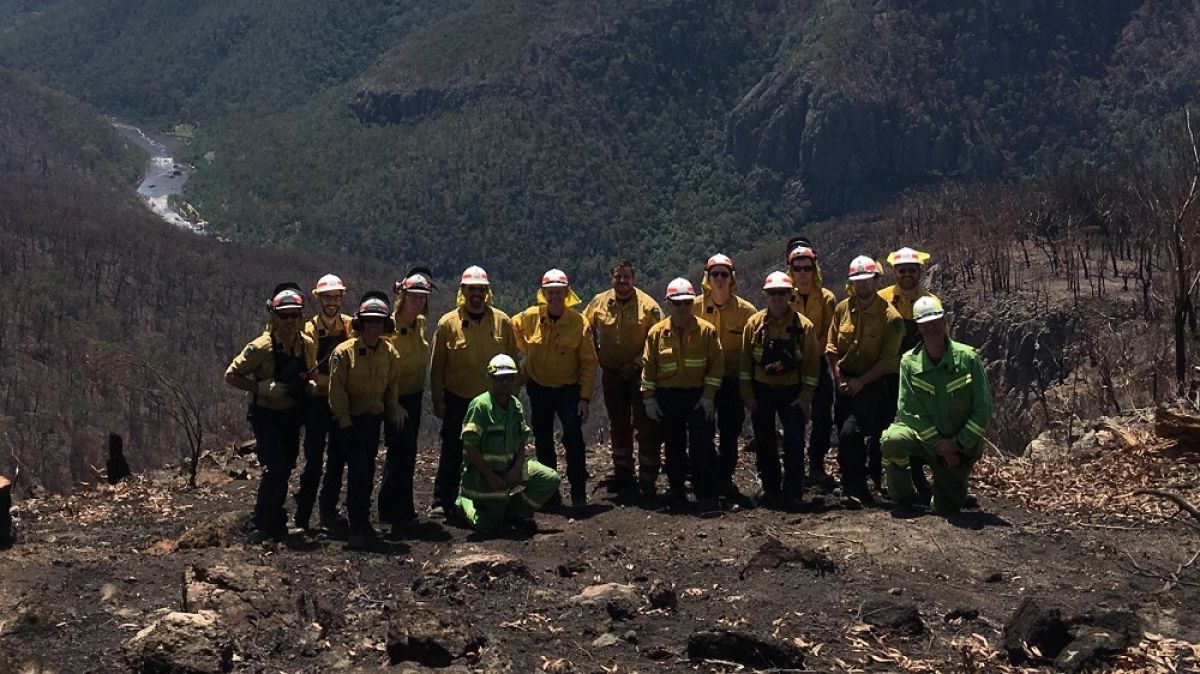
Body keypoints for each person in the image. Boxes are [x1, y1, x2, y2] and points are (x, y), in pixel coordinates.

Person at [881, 296, 993, 513]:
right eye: (925, 323)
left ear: (945, 322)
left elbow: (983, 408)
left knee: (947, 508)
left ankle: (946, 491)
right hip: (926, 439)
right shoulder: (909, 362)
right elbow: (908, 410)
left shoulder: (968, 359)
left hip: (959, 444)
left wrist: (956, 445)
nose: (931, 327)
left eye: (936, 321)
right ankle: (903, 495)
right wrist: (939, 444)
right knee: (891, 439)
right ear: (918, 328)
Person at [224, 283, 316, 543]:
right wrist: (260, 387)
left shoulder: (306, 344)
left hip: (291, 415)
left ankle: (276, 521)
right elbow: (231, 375)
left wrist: (307, 385)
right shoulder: (261, 346)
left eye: (294, 315)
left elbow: (311, 374)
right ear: (273, 316)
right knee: (274, 466)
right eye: (283, 315)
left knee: (286, 467)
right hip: (265, 415)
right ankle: (260, 523)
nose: (289, 321)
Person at [429, 266, 519, 517]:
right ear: (463, 291)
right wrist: (438, 398)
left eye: (481, 289)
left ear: (487, 292)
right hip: (458, 398)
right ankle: (442, 499)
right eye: (472, 289)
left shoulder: (502, 321)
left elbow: (513, 358)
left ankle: (488, 496)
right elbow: (437, 366)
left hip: (493, 400)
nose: (476, 294)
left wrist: (512, 395)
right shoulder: (448, 324)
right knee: (452, 449)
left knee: (493, 449)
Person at [513, 269, 599, 509]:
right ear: (544, 294)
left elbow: (589, 362)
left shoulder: (578, 322)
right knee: (542, 441)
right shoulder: (530, 317)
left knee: (574, 440)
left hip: (568, 390)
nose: (554, 297)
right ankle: (549, 494)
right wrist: (528, 354)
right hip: (538, 388)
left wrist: (584, 397)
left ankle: (578, 493)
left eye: (559, 292)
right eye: (550, 293)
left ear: (566, 293)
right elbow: (514, 329)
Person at [740, 272, 822, 510]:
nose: (777, 298)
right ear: (766, 295)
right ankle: (771, 490)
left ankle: (793, 492)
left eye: (782, 293)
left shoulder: (803, 327)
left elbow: (811, 366)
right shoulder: (754, 325)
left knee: (795, 442)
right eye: (773, 293)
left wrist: (805, 397)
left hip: (792, 392)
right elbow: (745, 364)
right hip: (761, 391)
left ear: (791, 295)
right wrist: (747, 394)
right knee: (764, 442)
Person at [328, 292, 404, 549]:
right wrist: (345, 422)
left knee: (367, 471)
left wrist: (393, 410)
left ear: (385, 325)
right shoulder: (344, 353)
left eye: (378, 322)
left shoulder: (390, 353)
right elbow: (336, 390)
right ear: (360, 323)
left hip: (373, 421)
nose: (373, 326)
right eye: (369, 321)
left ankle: (361, 522)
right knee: (356, 472)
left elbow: (391, 386)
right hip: (349, 422)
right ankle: (355, 525)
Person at [826, 256, 904, 507]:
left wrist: (861, 382)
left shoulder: (891, 317)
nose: (862, 286)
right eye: (857, 281)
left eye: (867, 280)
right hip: (845, 382)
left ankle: (860, 485)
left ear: (877, 280)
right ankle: (850, 485)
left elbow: (889, 360)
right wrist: (839, 377)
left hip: (873, 384)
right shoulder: (842, 309)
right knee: (843, 433)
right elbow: (831, 347)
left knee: (852, 431)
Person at [583, 260, 664, 499]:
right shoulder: (599, 302)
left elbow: (658, 338)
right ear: (611, 279)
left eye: (627, 277)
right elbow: (583, 328)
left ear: (634, 279)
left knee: (645, 424)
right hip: (611, 374)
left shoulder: (648, 306)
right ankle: (623, 472)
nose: (622, 281)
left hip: (639, 374)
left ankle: (648, 476)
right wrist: (594, 353)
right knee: (618, 423)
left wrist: (637, 363)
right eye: (618, 277)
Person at [641, 278, 724, 509]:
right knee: (673, 445)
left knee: (702, 444)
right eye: (677, 303)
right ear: (668, 303)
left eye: (687, 302)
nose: (683, 307)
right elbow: (648, 367)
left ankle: (705, 492)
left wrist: (708, 396)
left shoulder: (706, 331)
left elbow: (716, 365)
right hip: (669, 397)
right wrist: (649, 399)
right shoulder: (656, 334)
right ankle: (676, 490)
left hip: (697, 395)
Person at [456, 354, 561, 534]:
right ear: (490, 378)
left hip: (511, 468)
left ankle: (511, 512)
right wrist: (489, 475)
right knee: (489, 527)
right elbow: (469, 445)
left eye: (509, 378)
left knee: (549, 479)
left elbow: (521, 441)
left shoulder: (515, 406)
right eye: (500, 378)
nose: (505, 383)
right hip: (484, 476)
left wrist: (516, 468)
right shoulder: (480, 406)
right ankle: (463, 502)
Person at [692, 254, 757, 502]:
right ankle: (703, 477)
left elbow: (750, 351)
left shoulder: (746, 311)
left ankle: (725, 477)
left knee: (730, 432)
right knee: (702, 431)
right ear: (707, 279)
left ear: (732, 279)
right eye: (714, 274)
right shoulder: (694, 306)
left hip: (731, 381)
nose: (719, 279)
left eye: (724, 275)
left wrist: (748, 388)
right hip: (702, 382)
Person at [879, 247, 938, 499]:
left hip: (918, 376)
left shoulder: (930, 301)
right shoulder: (882, 299)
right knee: (881, 425)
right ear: (894, 272)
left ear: (919, 272)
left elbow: (938, 336)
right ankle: (877, 478)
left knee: (915, 425)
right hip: (886, 373)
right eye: (902, 271)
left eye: (911, 271)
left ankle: (918, 480)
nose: (907, 275)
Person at [378, 270, 434, 535]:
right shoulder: (388, 327)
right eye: (413, 296)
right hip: (395, 399)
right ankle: (400, 513)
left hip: (412, 396)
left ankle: (391, 507)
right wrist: (393, 404)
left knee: (405, 453)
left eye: (422, 297)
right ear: (402, 296)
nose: (418, 302)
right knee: (401, 452)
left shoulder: (419, 324)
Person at [295, 273, 352, 532]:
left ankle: (328, 512)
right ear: (319, 298)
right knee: (314, 461)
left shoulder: (350, 326)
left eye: (336, 297)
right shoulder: (309, 329)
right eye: (327, 297)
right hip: (317, 405)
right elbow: (311, 371)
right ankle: (302, 516)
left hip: (340, 403)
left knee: (338, 459)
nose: (332, 302)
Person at [786, 244, 838, 488]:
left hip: (817, 365)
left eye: (807, 268)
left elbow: (829, 332)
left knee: (823, 417)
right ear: (792, 271)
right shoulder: (785, 295)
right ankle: (794, 469)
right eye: (798, 269)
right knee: (794, 417)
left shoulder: (827, 298)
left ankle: (816, 465)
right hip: (791, 367)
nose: (803, 273)